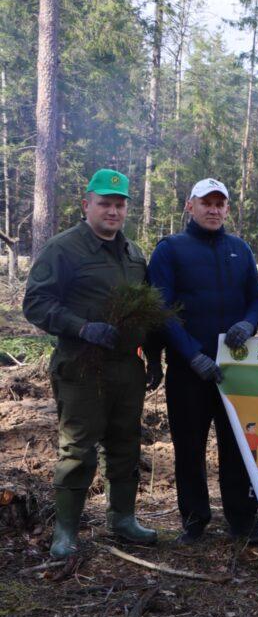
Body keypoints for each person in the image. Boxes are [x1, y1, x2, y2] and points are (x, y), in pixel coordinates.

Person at [23, 169, 159, 558]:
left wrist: (153, 357)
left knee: (126, 444)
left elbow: (146, 310)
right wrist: (82, 328)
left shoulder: (133, 254)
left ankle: (123, 519)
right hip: (81, 366)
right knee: (78, 449)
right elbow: (36, 303)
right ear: (87, 205)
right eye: (105, 204)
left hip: (126, 367)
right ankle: (65, 532)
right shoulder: (63, 249)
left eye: (119, 205)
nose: (113, 211)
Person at [147, 177, 258, 545]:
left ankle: (242, 520)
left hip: (235, 368)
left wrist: (248, 323)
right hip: (189, 370)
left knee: (237, 445)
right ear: (190, 206)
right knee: (189, 446)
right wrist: (192, 354)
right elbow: (161, 308)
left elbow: (256, 297)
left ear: (227, 208)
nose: (213, 210)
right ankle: (194, 520)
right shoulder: (170, 250)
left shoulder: (240, 249)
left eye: (220, 204)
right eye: (206, 203)